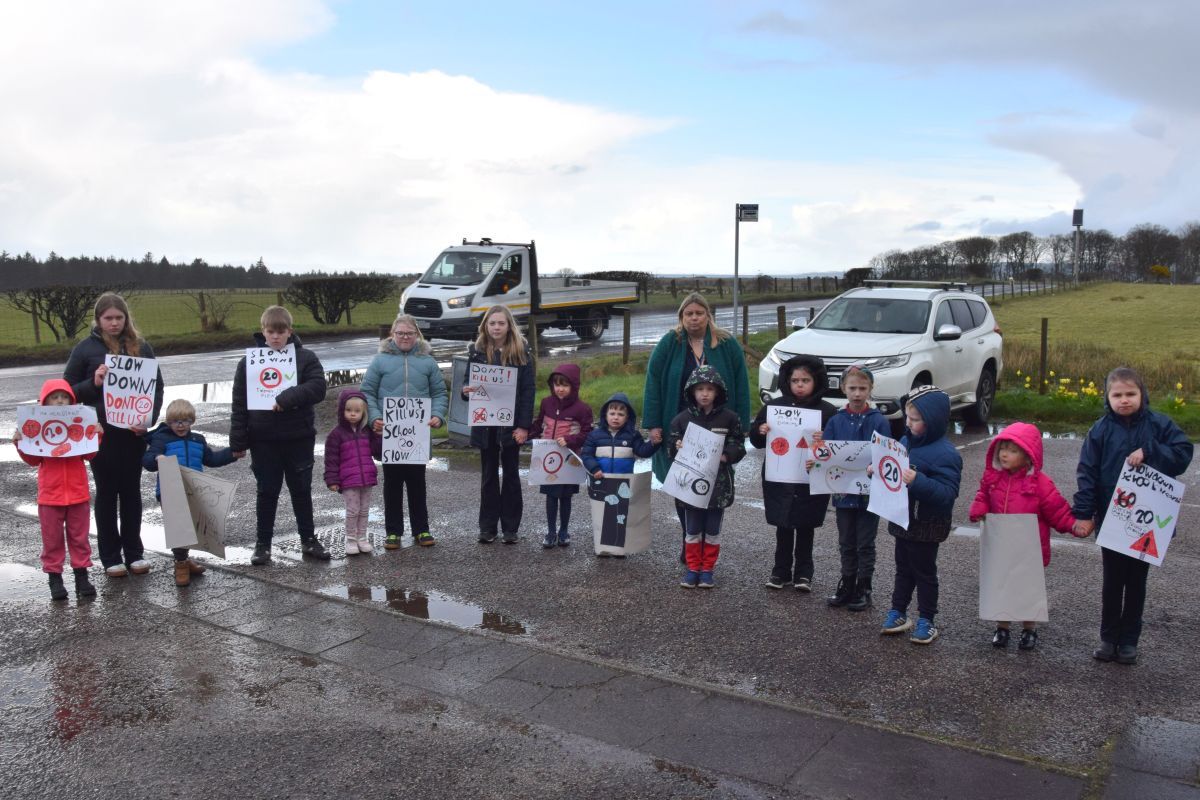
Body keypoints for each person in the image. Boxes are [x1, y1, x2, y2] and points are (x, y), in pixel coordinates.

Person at [1072, 367, 1193, 665]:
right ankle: (1108, 637)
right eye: (1117, 395)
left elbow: (1183, 453)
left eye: (1130, 394)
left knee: (1137, 582)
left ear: (1142, 394)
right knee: (1112, 582)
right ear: (1107, 397)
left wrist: (1149, 450)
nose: (1124, 400)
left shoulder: (1160, 425)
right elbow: (1087, 472)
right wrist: (1084, 513)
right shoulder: (1100, 430)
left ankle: (1129, 641)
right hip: (1113, 518)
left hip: (1147, 521)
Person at [63, 292, 164, 578]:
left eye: (119, 317)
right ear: (98, 319)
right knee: (107, 493)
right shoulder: (84, 350)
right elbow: (66, 392)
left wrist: (148, 420)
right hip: (100, 435)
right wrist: (94, 383)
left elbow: (156, 387)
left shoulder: (142, 347)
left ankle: (134, 553)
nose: (114, 323)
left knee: (131, 493)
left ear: (126, 318)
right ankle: (110, 557)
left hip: (132, 434)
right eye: (108, 318)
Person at [643, 293, 750, 559]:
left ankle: (707, 541)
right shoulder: (670, 343)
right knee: (682, 479)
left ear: (707, 315)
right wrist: (653, 424)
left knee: (713, 481)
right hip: (680, 423)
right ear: (681, 317)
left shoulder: (726, 343)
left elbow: (741, 382)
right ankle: (688, 538)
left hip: (717, 423)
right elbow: (653, 381)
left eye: (699, 313)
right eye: (688, 314)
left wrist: (742, 423)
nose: (694, 318)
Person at [968, 422, 1081, 650]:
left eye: (1012, 450)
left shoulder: (1040, 484)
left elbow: (1057, 510)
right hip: (1001, 543)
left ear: (1028, 456)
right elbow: (983, 495)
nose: (1004, 454)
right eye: (1002, 448)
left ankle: (1029, 629)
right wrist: (979, 508)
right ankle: (1002, 627)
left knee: (1028, 589)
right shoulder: (993, 478)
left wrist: (1073, 525)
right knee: (1001, 585)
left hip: (1029, 547)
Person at [230, 305, 329, 565]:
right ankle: (263, 544)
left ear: (289, 332)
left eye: (280, 332)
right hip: (263, 440)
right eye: (271, 331)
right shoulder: (248, 363)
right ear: (263, 331)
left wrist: (287, 398)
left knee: (301, 491)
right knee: (266, 492)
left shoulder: (305, 357)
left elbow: (318, 387)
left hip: (298, 437)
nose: (275, 337)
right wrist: (238, 440)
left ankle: (308, 539)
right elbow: (239, 404)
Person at [879, 385, 962, 645]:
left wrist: (918, 481)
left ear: (932, 420)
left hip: (928, 523)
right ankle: (898, 611)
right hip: (903, 518)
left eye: (915, 419)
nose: (908, 423)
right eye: (908, 417)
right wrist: (876, 470)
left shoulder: (947, 454)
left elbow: (947, 493)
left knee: (924, 572)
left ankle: (927, 619)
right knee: (902, 569)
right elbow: (892, 472)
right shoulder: (905, 442)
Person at [749, 355, 836, 594]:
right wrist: (760, 430)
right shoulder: (774, 408)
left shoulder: (827, 411)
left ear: (816, 381)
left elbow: (836, 447)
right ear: (787, 381)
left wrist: (825, 438)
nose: (799, 385)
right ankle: (781, 571)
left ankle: (804, 573)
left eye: (805, 380)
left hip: (810, 477)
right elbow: (756, 440)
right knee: (783, 525)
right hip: (781, 478)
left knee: (806, 526)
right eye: (795, 380)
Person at [361, 314, 447, 549]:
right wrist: (375, 418)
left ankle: (422, 529)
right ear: (392, 334)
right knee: (392, 484)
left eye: (409, 333)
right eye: (400, 333)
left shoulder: (428, 362)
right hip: (390, 436)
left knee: (417, 483)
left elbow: (439, 393)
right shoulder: (380, 361)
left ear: (417, 334)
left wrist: (438, 415)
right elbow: (367, 392)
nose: (405, 337)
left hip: (418, 435)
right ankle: (393, 532)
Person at [14, 379, 97, 600]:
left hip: (78, 494)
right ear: (45, 402)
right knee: (52, 540)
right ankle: (55, 578)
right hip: (50, 496)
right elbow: (33, 460)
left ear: (71, 401)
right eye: (54, 397)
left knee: (80, 538)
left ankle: (82, 576)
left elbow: (89, 454)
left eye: (64, 397)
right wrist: (20, 443)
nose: (60, 401)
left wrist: (96, 434)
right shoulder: (38, 428)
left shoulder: (78, 424)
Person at [142, 399, 240, 587]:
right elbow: (147, 460)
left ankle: (185, 560)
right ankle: (180, 564)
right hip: (170, 491)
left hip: (193, 490)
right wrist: (157, 458)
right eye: (175, 421)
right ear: (169, 422)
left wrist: (232, 454)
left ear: (192, 421)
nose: (180, 425)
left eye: (185, 421)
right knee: (179, 528)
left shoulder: (198, 439)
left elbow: (211, 459)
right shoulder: (161, 439)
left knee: (192, 528)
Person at [667, 366, 746, 588]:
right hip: (689, 485)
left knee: (712, 530)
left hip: (718, 486)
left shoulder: (730, 418)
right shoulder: (681, 420)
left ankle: (707, 569)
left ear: (718, 392)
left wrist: (726, 455)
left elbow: (738, 444)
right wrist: (676, 446)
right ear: (692, 392)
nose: (704, 394)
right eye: (700, 389)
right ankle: (693, 568)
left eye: (710, 389)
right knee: (692, 529)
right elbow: (670, 447)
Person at [461, 305, 535, 543]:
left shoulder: (522, 352)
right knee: (488, 475)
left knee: (511, 475)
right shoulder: (477, 352)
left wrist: (523, 426)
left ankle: (510, 529)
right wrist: (466, 390)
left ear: (509, 325)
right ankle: (488, 527)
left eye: (501, 323)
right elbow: (467, 385)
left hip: (511, 424)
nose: (496, 327)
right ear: (485, 326)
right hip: (485, 424)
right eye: (492, 323)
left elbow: (528, 391)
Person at [820, 365, 890, 610]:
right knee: (846, 541)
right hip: (843, 492)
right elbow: (826, 454)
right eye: (852, 388)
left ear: (870, 389)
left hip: (870, 495)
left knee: (865, 542)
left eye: (862, 388)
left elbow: (886, 454)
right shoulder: (836, 421)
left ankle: (864, 587)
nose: (857, 393)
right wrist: (815, 461)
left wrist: (876, 465)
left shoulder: (879, 421)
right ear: (843, 389)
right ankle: (847, 583)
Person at [581, 391, 659, 557]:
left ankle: (618, 548)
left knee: (620, 515)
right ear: (605, 414)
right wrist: (594, 469)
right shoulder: (594, 435)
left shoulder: (632, 436)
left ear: (627, 417)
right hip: (601, 481)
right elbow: (586, 455)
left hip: (623, 483)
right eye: (612, 413)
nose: (616, 417)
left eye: (620, 414)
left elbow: (643, 451)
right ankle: (602, 547)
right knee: (601, 515)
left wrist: (654, 444)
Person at [533, 364, 593, 548]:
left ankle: (564, 531)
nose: (560, 389)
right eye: (557, 384)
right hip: (548, 459)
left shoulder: (582, 409)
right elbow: (538, 425)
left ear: (574, 386)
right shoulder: (546, 403)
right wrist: (525, 433)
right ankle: (551, 532)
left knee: (566, 497)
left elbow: (587, 434)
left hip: (570, 459)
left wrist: (570, 439)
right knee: (551, 497)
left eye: (565, 385)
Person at [324, 388, 381, 557]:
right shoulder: (336, 435)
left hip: (367, 478)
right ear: (342, 410)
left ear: (364, 412)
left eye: (357, 411)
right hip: (349, 480)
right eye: (348, 410)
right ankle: (350, 540)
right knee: (353, 511)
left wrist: (379, 435)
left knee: (364, 510)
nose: (353, 414)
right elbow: (331, 459)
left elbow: (377, 451)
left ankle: (362, 538)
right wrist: (332, 480)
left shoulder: (367, 431)